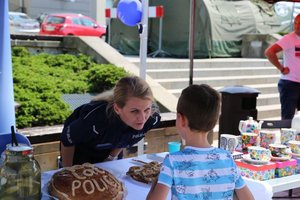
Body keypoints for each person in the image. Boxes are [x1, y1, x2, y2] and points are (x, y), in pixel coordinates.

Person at [147, 84, 254, 200]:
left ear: (181, 119)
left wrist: (157, 179)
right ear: (213, 122)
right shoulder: (227, 158)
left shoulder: (172, 161)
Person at [60, 76, 161, 167]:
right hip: (80, 154)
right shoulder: (96, 120)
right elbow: (67, 140)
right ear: (117, 109)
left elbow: (125, 138)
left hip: (111, 152)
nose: (142, 118)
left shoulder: (152, 119)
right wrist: (67, 169)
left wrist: (111, 158)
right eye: (134, 111)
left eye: (147, 109)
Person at [264, 14, 300, 119]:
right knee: (288, 117)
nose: (297, 26)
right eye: (295, 23)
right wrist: (281, 68)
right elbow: (269, 52)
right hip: (290, 83)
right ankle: (286, 135)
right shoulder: (288, 38)